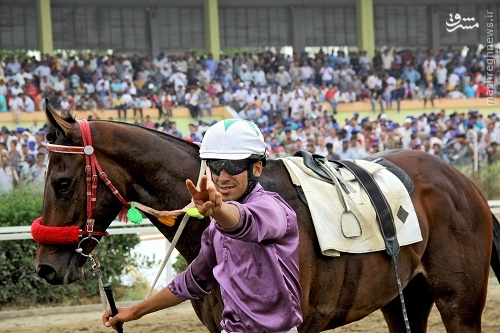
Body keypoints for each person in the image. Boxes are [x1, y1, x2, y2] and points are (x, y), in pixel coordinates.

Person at [103, 119, 302, 333]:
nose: (223, 177)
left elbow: (245, 221)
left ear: (257, 168)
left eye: (233, 166)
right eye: (216, 166)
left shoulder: (274, 209)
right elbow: (192, 280)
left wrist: (218, 211)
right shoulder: (215, 228)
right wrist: (135, 311)